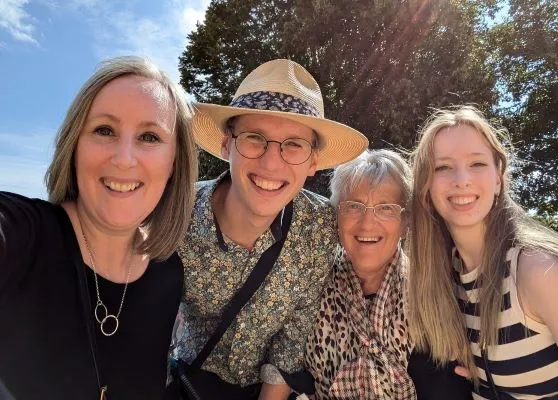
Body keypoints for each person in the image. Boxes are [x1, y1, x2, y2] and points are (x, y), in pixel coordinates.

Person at [168, 58, 368, 399]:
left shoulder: (319, 229)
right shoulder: (175, 215)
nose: (271, 163)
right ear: (226, 144)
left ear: (312, 162)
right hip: (187, 384)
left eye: (293, 144)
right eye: (254, 138)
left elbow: (292, 340)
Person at [0, 56, 198, 399]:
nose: (124, 159)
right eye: (104, 130)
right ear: (74, 145)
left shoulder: (168, 273)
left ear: (174, 164)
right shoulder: (24, 236)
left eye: (149, 137)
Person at [408, 105, 558, 399]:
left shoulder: (540, 271)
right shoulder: (447, 280)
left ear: (498, 178)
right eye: (443, 167)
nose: (462, 180)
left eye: (477, 164)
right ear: (426, 186)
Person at [304, 149, 472, 399]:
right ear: (336, 215)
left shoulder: (439, 298)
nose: (367, 223)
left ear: (405, 223)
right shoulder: (308, 288)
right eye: (354, 206)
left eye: (385, 208)